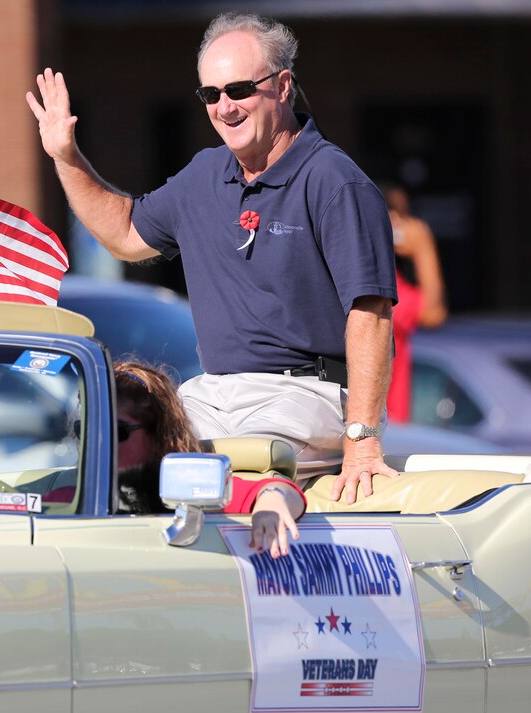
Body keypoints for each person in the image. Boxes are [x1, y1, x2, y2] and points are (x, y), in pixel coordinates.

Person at [27, 12, 398, 503]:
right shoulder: (205, 174)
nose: (226, 107)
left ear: (283, 87)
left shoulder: (333, 180)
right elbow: (123, 234)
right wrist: (66, 156)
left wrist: (362, 442)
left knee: (213, 474)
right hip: (213, 392)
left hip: (306, 396)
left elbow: (370, 314)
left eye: (241, 89)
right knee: (111, 453)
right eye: (211, 94)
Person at [114, 360, 305, 558]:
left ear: (157, 436)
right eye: (83, 428)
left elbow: (282, 491)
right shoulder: (82, 487)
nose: (100, 440)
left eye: (118, 431)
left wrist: (271, 500)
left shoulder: (186, 482)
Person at [380, 183, 448, 422]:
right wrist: (424, 248)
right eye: (401, 214)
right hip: (377, 423)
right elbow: (433, 313)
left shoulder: (387, 276)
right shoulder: (374, 277)